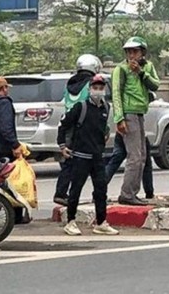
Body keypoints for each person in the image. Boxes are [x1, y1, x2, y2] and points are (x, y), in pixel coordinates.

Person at [59, 74, 120, 236]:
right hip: (80, 156)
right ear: (90, 89)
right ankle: (71, 221)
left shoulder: (106, 108)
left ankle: (101, 222)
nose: (98, 91)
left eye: (101, 88)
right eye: (95, 88)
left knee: (101, 190)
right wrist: (62, 146)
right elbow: (63, 125)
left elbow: (103, 128)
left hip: (97, 157)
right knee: (76, 190)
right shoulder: (81, 107)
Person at [112, 37, 160, 206]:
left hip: (140, 112)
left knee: (142, 156)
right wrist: (119, 118)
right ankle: (127, 193)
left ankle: (133, 191)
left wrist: (141, 72)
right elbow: (116, 93)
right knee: (134, 155)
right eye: (129, 52)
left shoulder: (147, 67)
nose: (132, 55)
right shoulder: (121, 69)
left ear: (142, 53)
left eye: (135, 51)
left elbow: (155, 84)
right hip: (129, 113)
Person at [53, 54, 102, 206]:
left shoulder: (70, 83)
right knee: (90, 162)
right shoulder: (90, 84)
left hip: (69, 125)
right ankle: (94, 195)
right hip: (83, 126)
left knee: (69, 160)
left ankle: (61, 192)